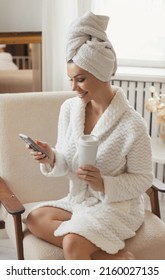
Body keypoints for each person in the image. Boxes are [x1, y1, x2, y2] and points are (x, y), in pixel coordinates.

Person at [26, 12, 153, 260]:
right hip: (79, 201)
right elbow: (67, 158)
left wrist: (104, 184)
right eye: (71, 80)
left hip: (116, 206)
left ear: (102, 74)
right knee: (34, 218)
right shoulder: (70, 109)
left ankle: (80, 245)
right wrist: (51, 156)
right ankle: (110, 260)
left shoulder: (132, 124)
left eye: (80, 79)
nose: (73, 88)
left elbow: (143, 179)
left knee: (72, 243)